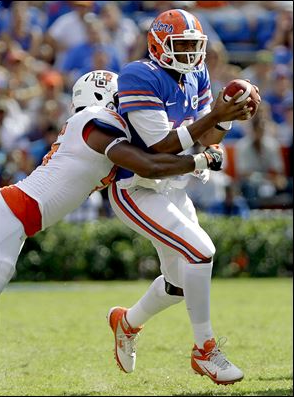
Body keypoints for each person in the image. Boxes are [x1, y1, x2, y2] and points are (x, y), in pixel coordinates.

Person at [0, 69, 229, 380]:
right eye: (122, 98)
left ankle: (128, 323)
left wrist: (210, 134)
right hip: (9, 214)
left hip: (17, 220)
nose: (128, 106)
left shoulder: (97, 127)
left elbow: (155, 156)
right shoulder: (95, 121)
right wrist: (201, 159)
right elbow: (149, 162)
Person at [107, 9, 258, 385]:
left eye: (196, 45)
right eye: (183, 45)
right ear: (159, 44)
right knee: (201, 251)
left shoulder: (198, 74)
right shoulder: (139, 74)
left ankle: (126, 322)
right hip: (137, 187)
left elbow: (207, 137)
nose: (191, 53)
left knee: (177, 285)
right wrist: (214, 120)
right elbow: (160, 146)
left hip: (172, 188)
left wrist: (226, 118)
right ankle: (205, 350)